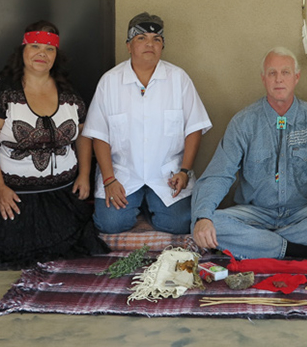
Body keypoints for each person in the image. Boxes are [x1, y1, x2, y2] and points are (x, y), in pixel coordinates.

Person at [0, 21, 108, 269]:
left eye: (49, 49)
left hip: (62, 198)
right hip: (14, 198)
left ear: (56, 55)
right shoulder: (3, 92)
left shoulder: (69, 93)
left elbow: (83, 135)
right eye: (35, 46)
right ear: (23, 50)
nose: (42, 54)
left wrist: (84, 175)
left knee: (70, 252)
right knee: (9, 250)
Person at [191, 47, 307, 260]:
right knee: (205, 221)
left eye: (285, 72)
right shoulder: (243, 122)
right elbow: (219, 174)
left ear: (296, 77)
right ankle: (294, 249)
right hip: (255, 214)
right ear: (263, 79)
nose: (279, 79)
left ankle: (259, 244)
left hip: (303, 214)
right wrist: (203, 217)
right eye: (272, 73)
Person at [82, 12, 212, 235]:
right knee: (110, 224)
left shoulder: (178, 78)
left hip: (167, 174)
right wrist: (109, 179)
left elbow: (194, 128)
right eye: (141, 38)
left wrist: (184, 171)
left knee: (180, 224)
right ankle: (138, 202)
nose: (149, 44)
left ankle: (149, 203)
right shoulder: (110, 81)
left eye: (156, 39)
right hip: (122, 174)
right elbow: (99, 135)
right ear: (129, 45)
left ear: (162, 46)